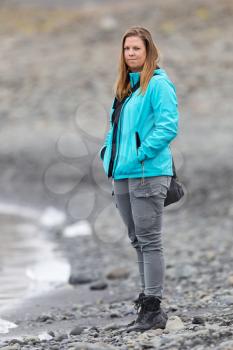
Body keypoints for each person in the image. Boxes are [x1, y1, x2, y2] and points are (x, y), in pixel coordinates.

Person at [99, 26, 179, 332]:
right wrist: (108, 154)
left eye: (136, 49)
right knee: (136, 240)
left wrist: (140, 154)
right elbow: (112, 127)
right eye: (126, 49)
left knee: (149, 240)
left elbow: (168, 126)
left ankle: (153, 309)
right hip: (121, 174)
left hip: (148, 172)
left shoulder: (158, 85)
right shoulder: (124, 87)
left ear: (148, 52)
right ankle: (146, 303)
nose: (131, 53)